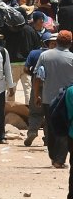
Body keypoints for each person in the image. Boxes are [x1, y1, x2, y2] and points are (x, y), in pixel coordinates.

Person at [33, 30, 73, 168]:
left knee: (51, 128)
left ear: (57, 42)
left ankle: (53, 156)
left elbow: (37, 77)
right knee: (64, 129)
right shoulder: (72, 58)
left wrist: (36, 95)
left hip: (48, 99)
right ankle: (59, 160)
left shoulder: (44, 56)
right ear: (70, 43)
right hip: (67, 100)